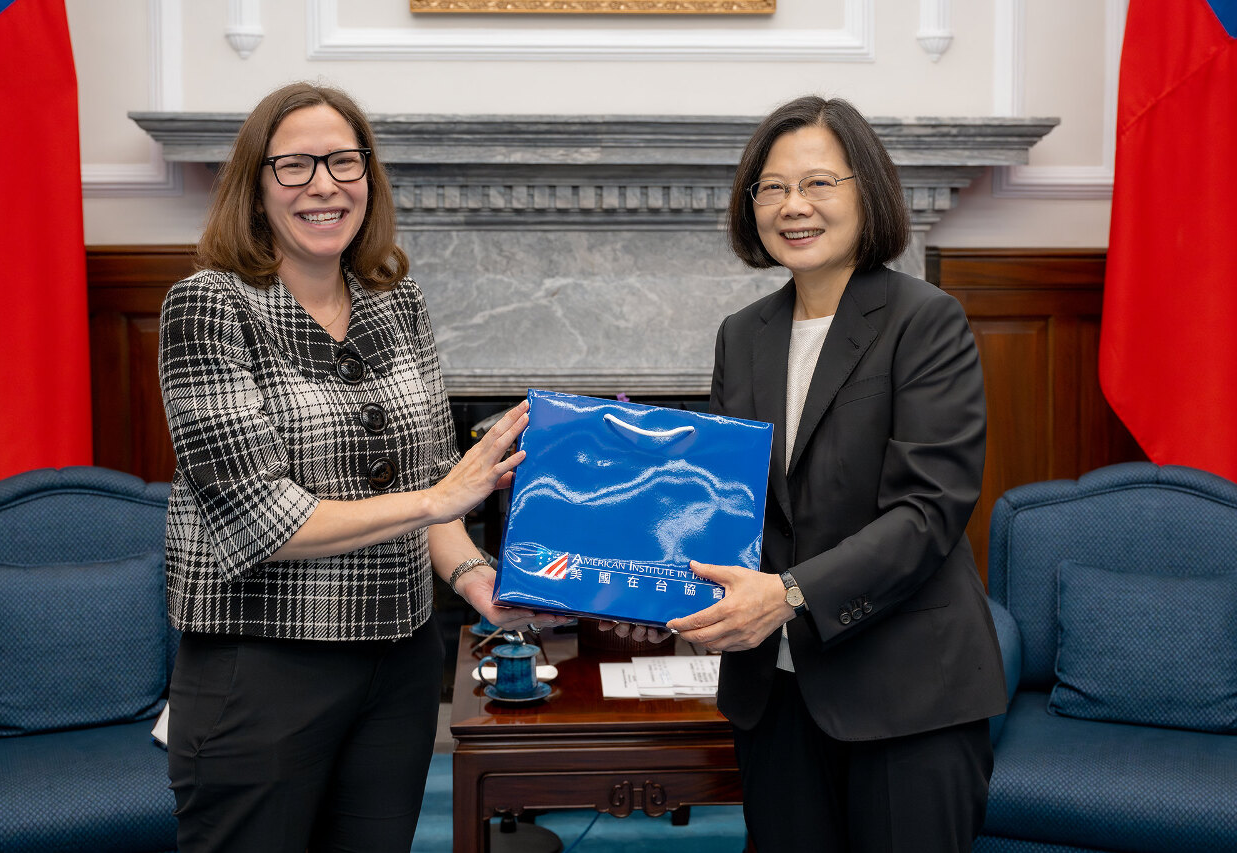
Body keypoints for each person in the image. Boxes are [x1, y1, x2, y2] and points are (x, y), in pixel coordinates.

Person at [157, 81, 563, 853]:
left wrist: (482, 583)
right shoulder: (208, 306)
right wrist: (439, 498)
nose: (324, 185)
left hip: (399, 665)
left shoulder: (395, 301)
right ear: (255, 184)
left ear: (369, 179)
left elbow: (437, 489)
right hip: (264, 668)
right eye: (296, 165)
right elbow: (261, 521)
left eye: (345, 162)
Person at [664, 95, 1008, 852]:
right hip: (775, 691)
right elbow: (732, 507)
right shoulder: (742, 336)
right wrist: (646, 574)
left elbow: (928, 510)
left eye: (819, 183)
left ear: (867, 193)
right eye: (773, 187)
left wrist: (787, 593)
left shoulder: (926, 320)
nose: (794, 206)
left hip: (908, 693)